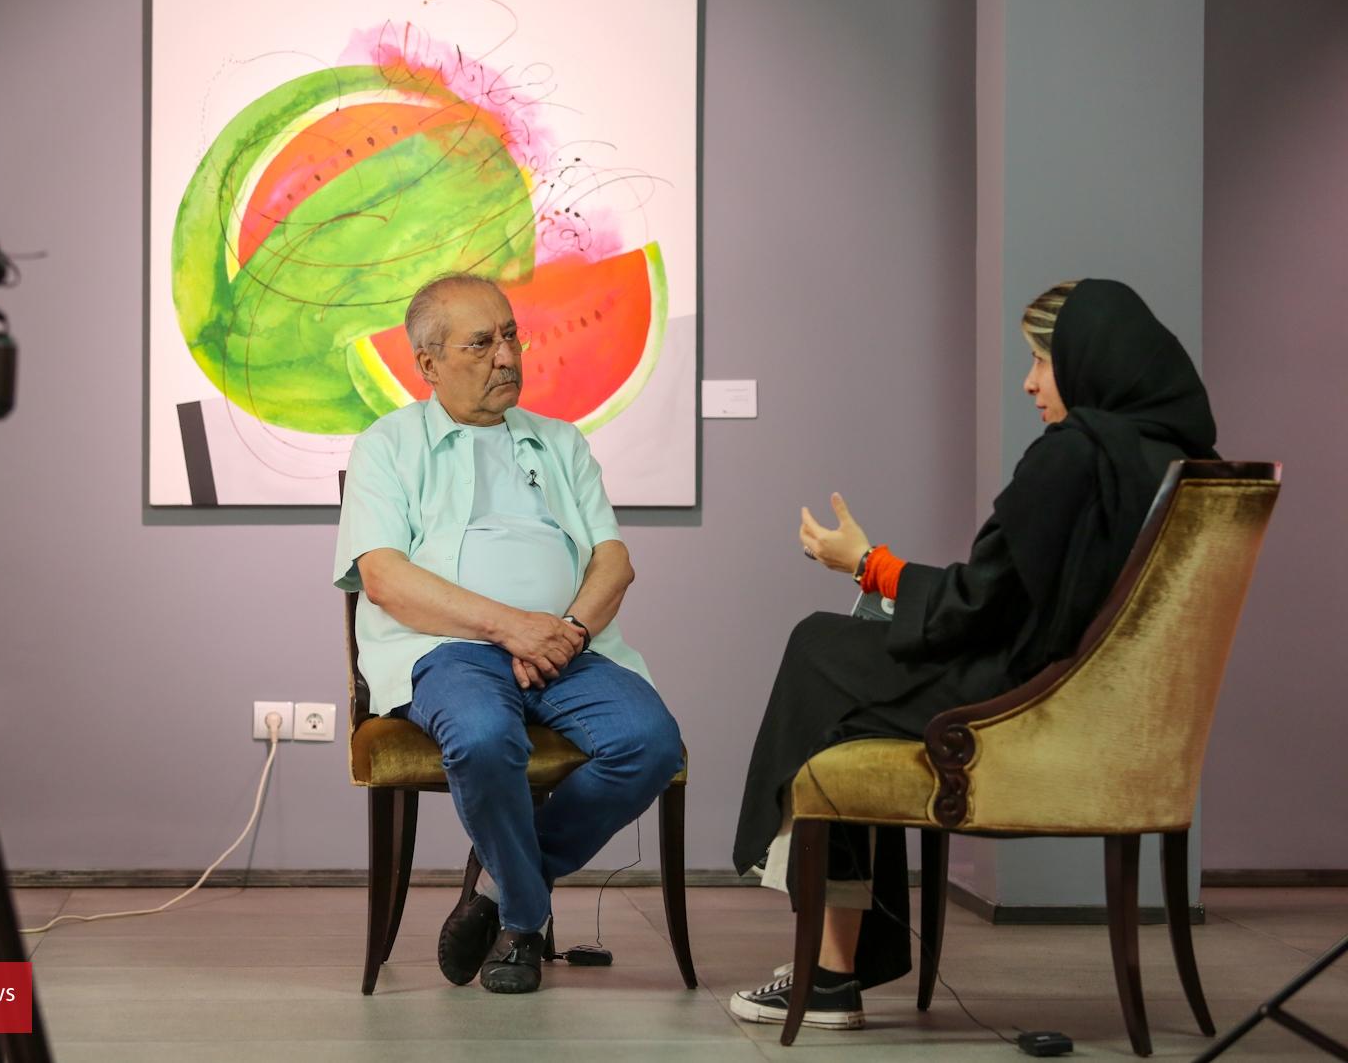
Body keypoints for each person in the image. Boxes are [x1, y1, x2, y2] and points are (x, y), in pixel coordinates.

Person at [729, 279, 1219, 1030]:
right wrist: (882, 577)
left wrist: (867, 566)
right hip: (1093, 709)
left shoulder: (1075, 455)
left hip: (1022, 702)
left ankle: (829, 974)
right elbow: (1014, 599)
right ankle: (833, 967)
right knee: (843, 674)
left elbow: (979, 604)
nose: (1029, 382)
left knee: (819, 649)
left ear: (1084, 359)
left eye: (1041, 360)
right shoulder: (1180, 461)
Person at [333, 272, 683, 995]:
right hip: (446, 649)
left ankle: (496, 887)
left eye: (510, 336)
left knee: (650, 742)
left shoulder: (560, 442)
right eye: (481, 343)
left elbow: (613, 560)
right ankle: (524, 919)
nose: (506, 356)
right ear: (428, 363)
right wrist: (511, 628)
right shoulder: (386, 445)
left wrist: (566, 632)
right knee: (484, 738)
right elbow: (385, 578)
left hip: (567, 649)